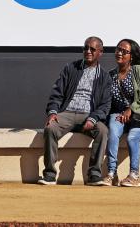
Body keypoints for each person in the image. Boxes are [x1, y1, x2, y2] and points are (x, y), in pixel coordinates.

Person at [39, 36, 112, 186]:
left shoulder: (104, 77)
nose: (88, 51)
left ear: (100, 52)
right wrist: (53, 112)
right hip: (68, 113)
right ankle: (50, 174)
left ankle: (94, 175)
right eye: (86, 48)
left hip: (88, 115)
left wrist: (92, 119)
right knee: (50, 128)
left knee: (103, 131)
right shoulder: (71, 68)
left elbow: (105, 105)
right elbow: (57, 93)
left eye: (92, 49)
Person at [102, 38, 140, 187]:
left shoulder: (139, 71)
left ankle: (134, 175)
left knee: (132, 138)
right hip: (120, 115)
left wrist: (131, 108)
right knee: (113, 131)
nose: (120, 53)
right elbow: (108, 101)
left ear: (131, 56)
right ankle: (111, 174)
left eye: (124, 51)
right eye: (118, 49)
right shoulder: (111, 75)